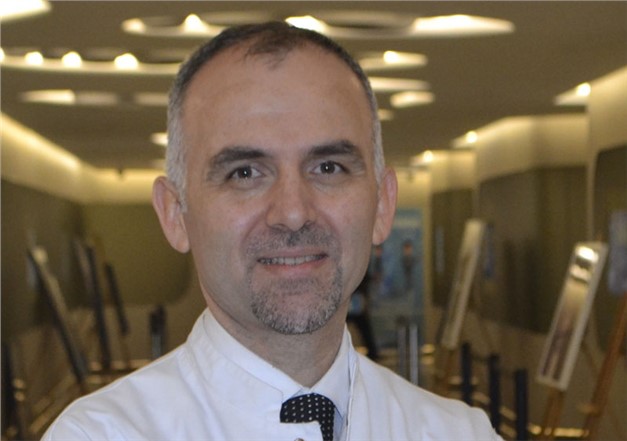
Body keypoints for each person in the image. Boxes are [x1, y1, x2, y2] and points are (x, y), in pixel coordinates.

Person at [42, 21, 502, 441]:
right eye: (244, 173)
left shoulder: (459, 434)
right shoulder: (99, 435)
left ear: (382, 204)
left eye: (328, 167)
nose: (293, 213)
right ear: (175, 214)